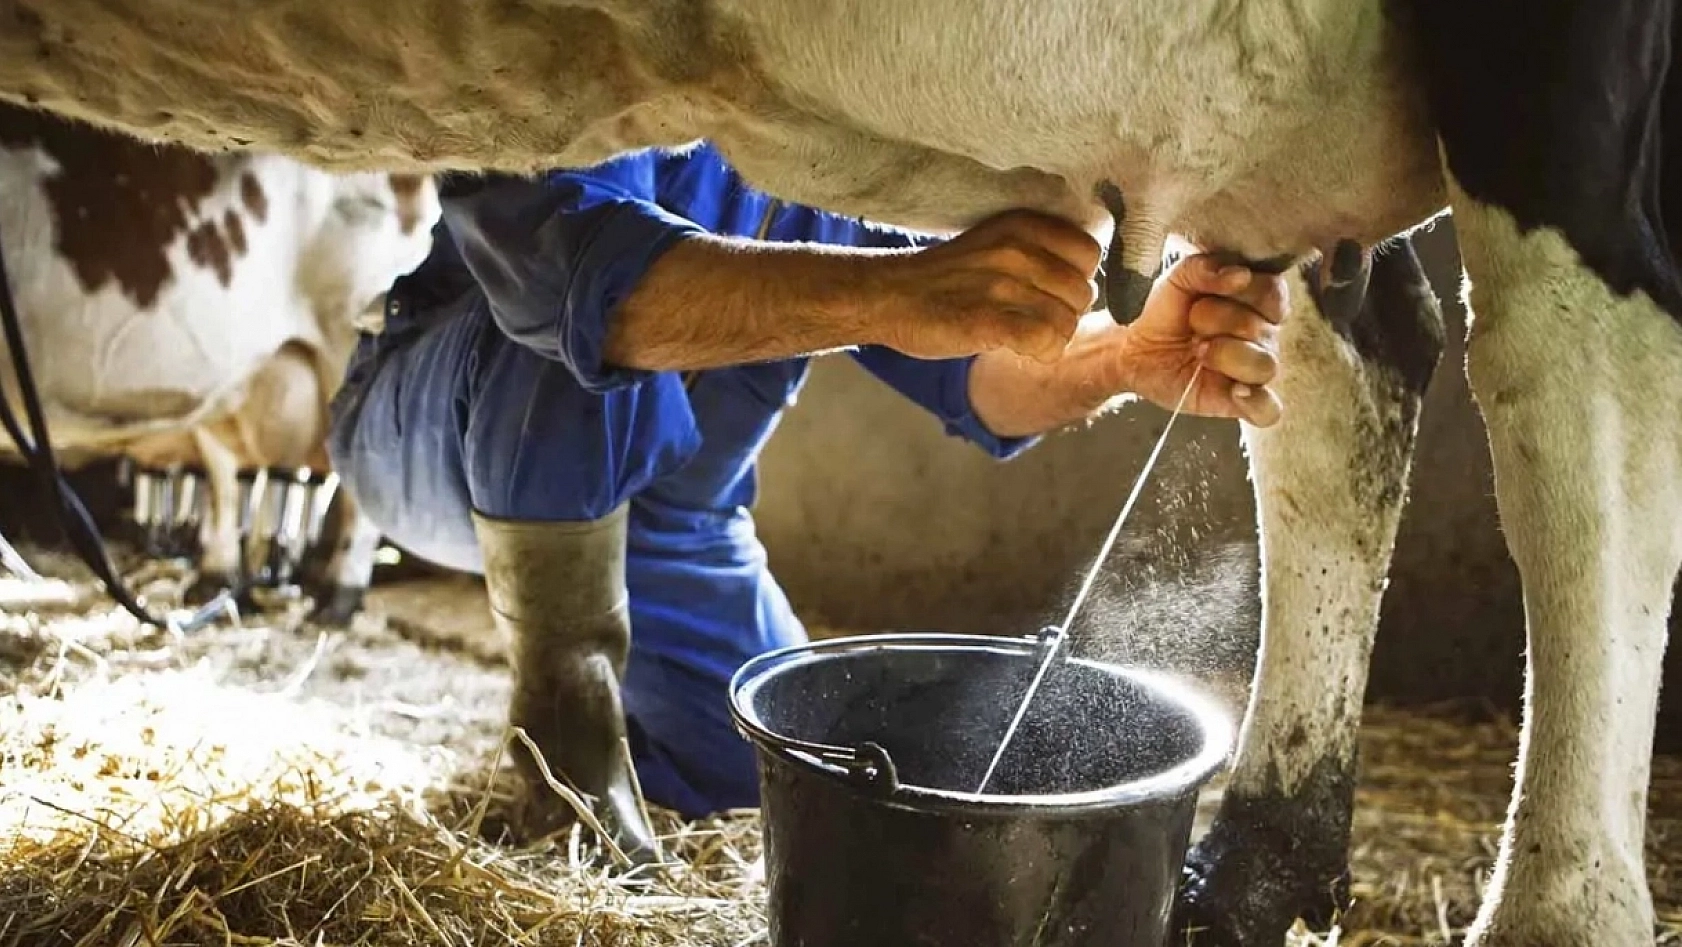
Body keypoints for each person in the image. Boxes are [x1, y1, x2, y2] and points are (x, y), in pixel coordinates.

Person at [327, 141, 1288, 863]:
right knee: (577, 327)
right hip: (432, 424)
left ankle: (639, 738)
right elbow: (575, 284)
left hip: (674, 529)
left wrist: (1123, 355)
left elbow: (981, 377)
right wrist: (899, 293)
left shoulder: (822, 142)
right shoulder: (596, 53)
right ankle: (564, 742)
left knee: (776, 772)